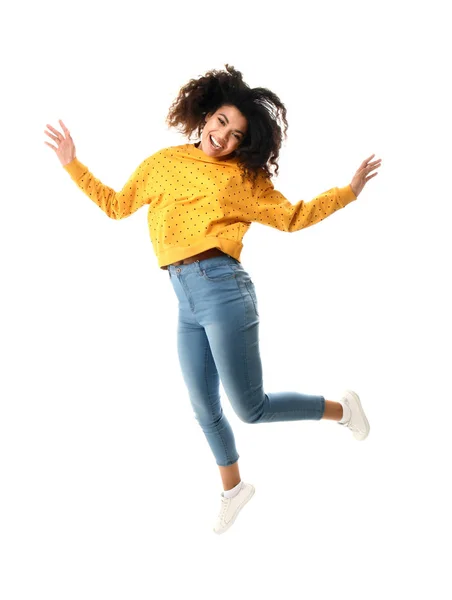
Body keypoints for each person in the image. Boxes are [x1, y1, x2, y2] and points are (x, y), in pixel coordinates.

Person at [44, 64, 382, 535]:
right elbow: (117, 206)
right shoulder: (164, 162)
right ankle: (234, 489)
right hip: (184, 297)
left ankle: (342, 408)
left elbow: (291, 217)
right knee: (203, 406)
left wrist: (347, 193)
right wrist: (72, 164)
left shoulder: (243, 178)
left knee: (251, 408)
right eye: (221, 122)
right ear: (205, 116)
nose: (224, 136)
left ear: (244, 145)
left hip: (223, 288)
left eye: (237, 135)